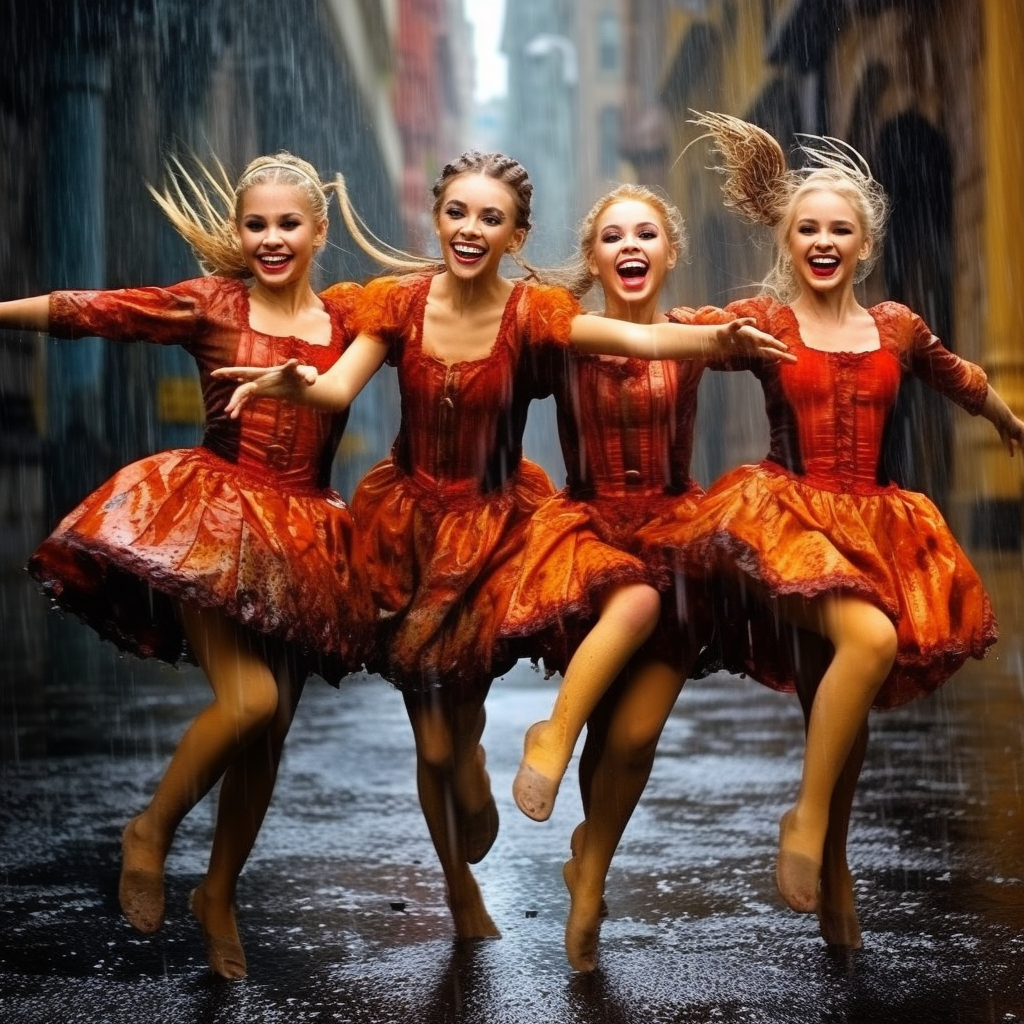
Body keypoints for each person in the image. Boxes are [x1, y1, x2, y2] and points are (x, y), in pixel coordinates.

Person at [214, 151, 790, 941]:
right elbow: (339, 385)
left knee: (465, 731)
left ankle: (484, 784)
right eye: (458, 211)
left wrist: (718, 341)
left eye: (490, 217)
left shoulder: (533, 315)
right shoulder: (397, 304)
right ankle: (457, 889)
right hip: (406, 530)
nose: (470, 228)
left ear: (516, 233)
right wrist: (291, 384)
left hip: (494, 532)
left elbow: (633, 342)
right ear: (438, 217)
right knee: (434, 743)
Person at [646, 112, 1024, 948]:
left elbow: (958, 377)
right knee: (872, 642)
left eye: (840, 230)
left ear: (864, 244)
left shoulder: (893, 326)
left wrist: (1010, 421)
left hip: (876, 521)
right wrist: (605, 312)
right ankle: (806, 823)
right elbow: (679, 333)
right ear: (789, 241)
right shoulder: (771, 323)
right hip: (789, 519)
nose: (824, 240)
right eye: (809, 228)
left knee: (834, 709)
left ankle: (836, 873)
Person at [0, 152, 371, 979]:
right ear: (238, 233)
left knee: (269, 736)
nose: (271, 239)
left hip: (306, 533)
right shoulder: (213, 302)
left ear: (317, 232)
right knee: (252, 699)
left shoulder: (346, 319)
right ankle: (150, 830)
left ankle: (219, 892)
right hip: (215, 519)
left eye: (288, 224)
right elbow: (97, 311)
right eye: (256, 224)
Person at [504, 182, 764, 972]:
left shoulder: (696, 331)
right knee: (602, 721)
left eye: (646, 233)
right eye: (613, 236)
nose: (630, 247)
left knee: (635, 735)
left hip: (677, 541)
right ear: (593, 257)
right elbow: (487, 340)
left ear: (669, 252)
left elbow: (780, 326)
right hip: (588, 543)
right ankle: (579, 857)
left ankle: (592, 864)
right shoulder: (564, 336)